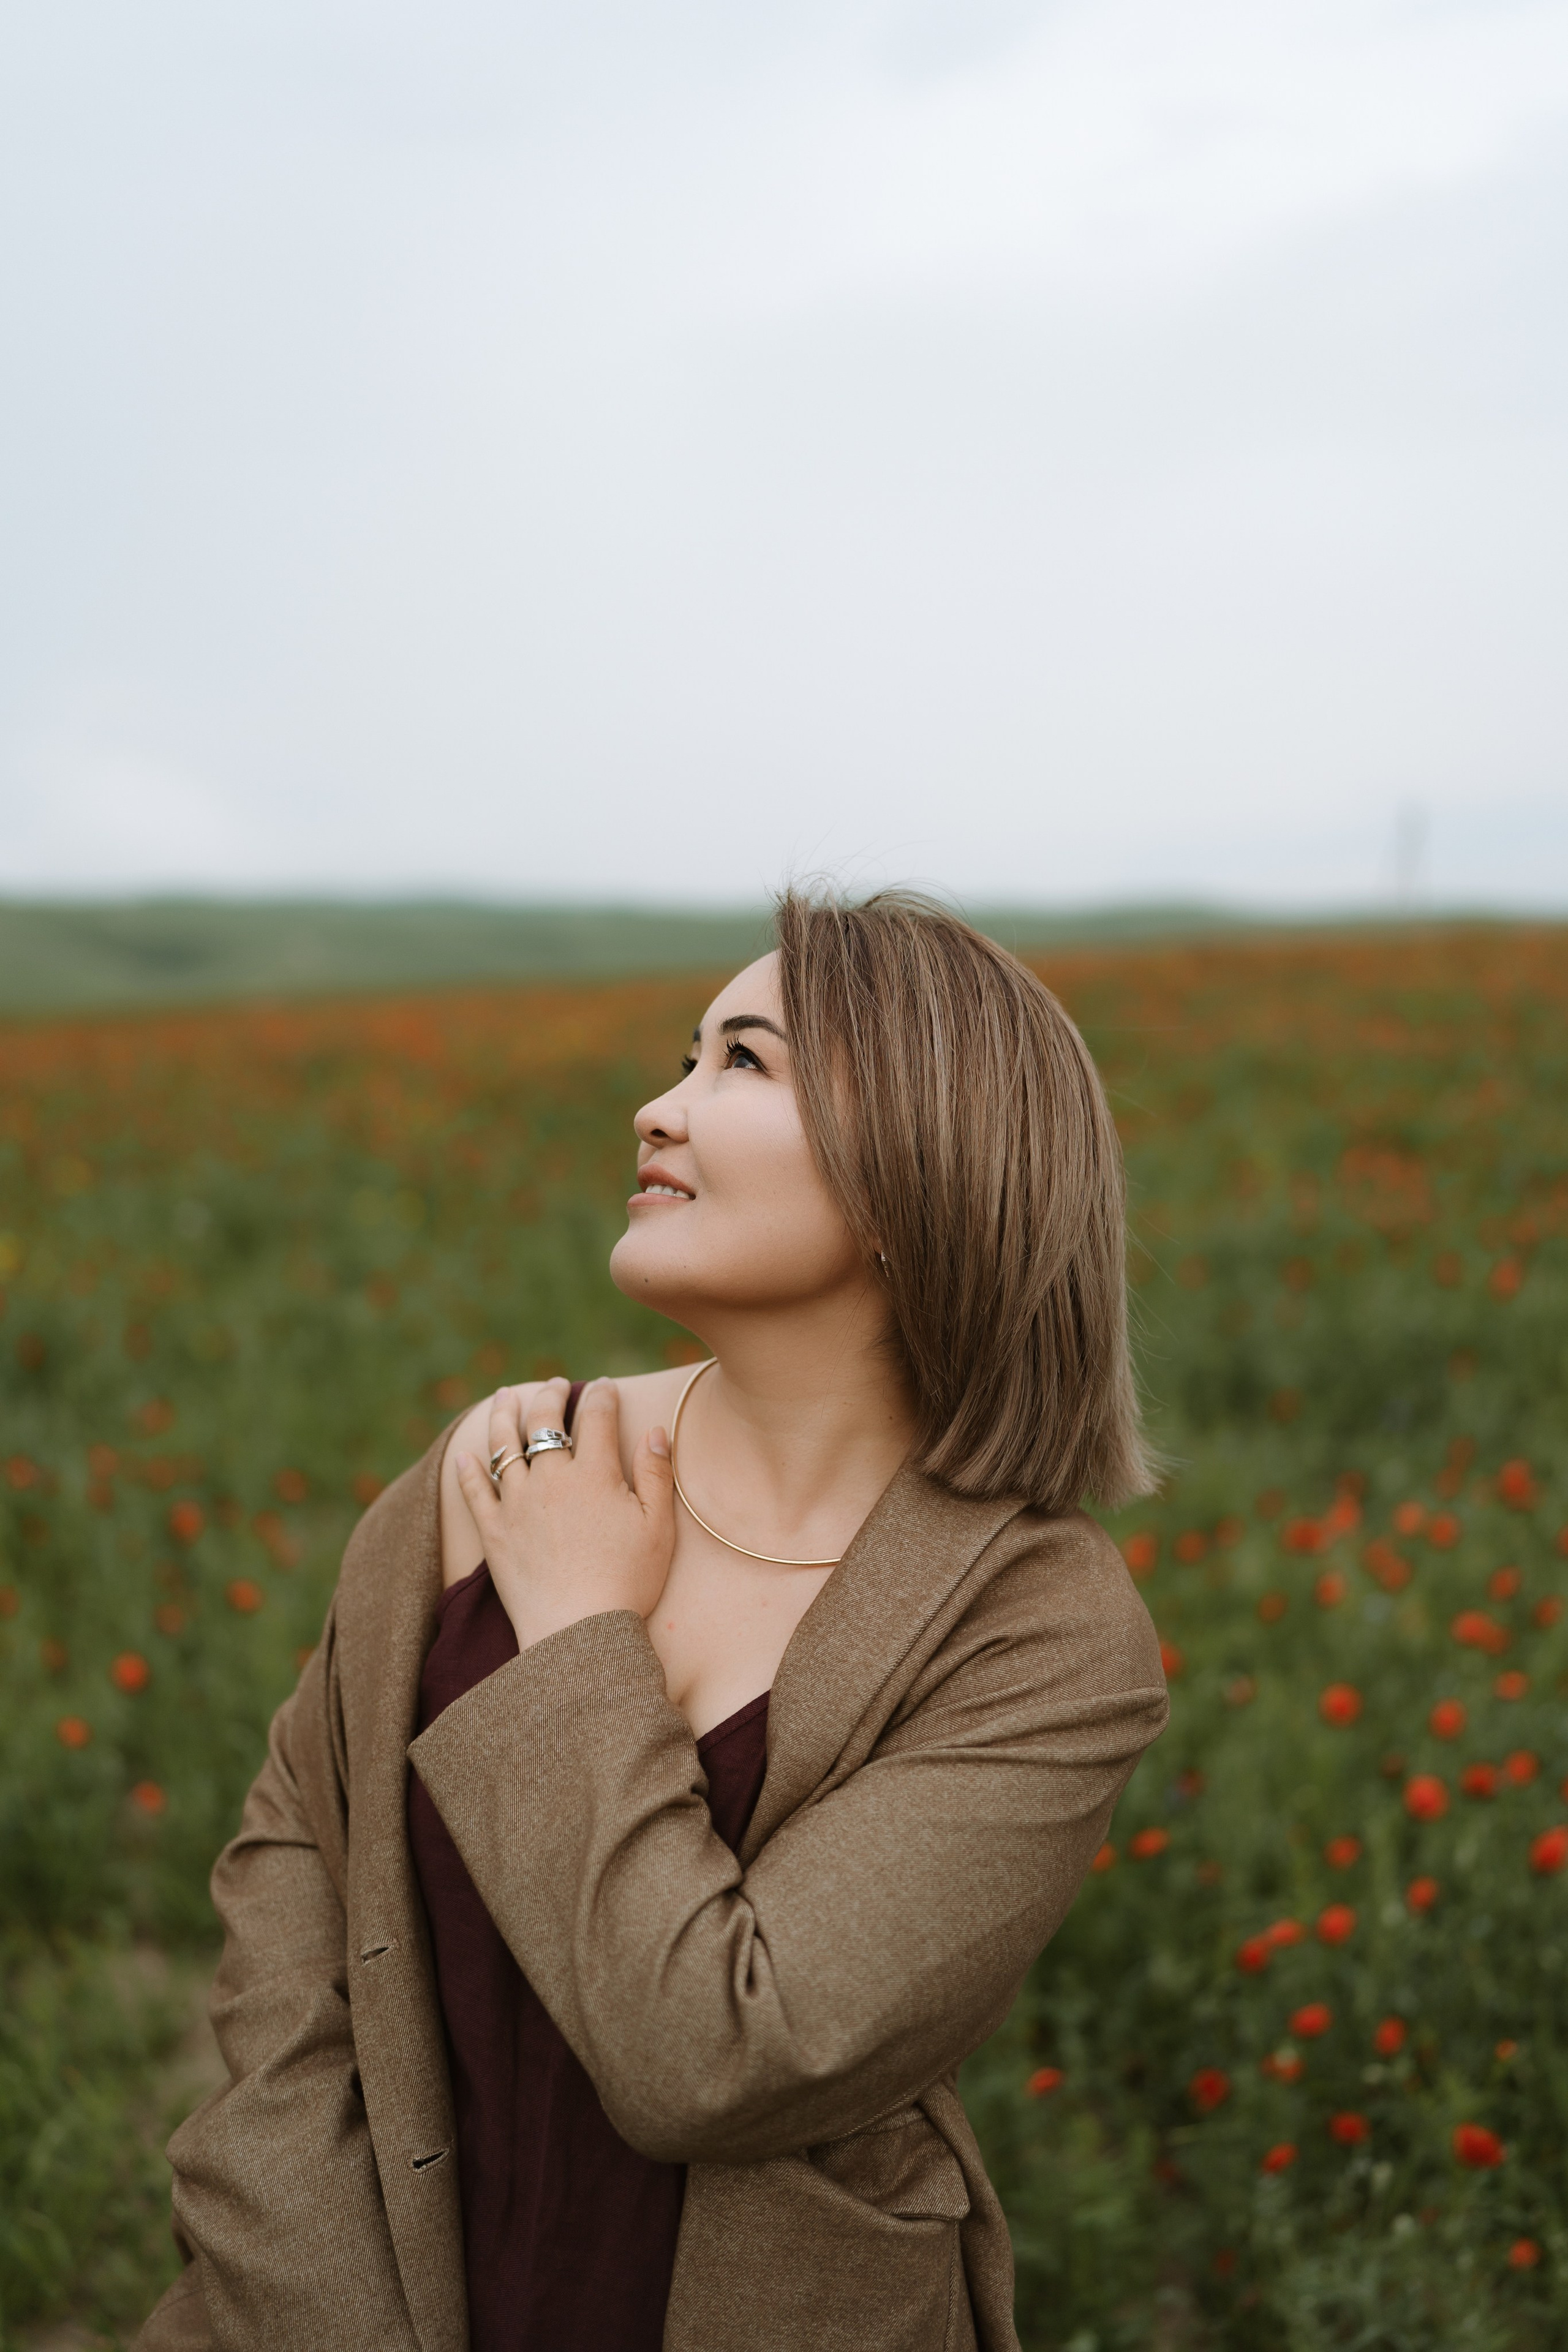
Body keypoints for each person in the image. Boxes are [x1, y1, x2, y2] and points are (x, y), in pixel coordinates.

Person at [136, 888, 1167, 2352]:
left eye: (741, 1063)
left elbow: (717, 2057)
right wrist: (315, 2307)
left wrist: (570, 1637)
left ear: (919, 1161)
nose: (656, 1107)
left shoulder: (1040, 1635)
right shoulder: (503, 1464)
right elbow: (298, 1880)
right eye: (685, 1057)